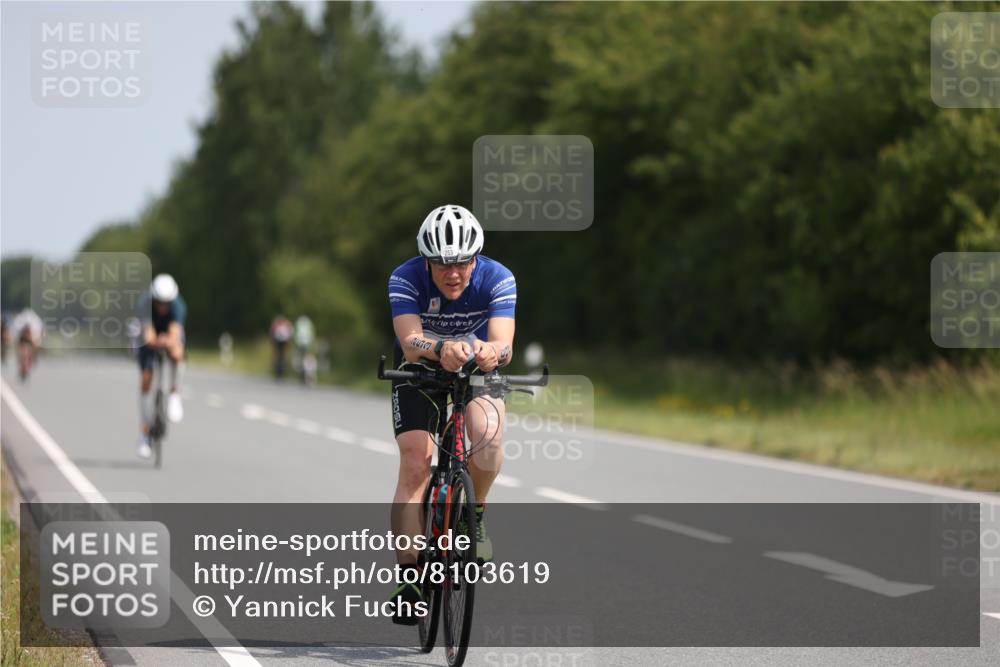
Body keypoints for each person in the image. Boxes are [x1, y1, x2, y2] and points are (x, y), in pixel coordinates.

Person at [386, 204, 516, 624]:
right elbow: (409, 341)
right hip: (420, 368)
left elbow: (504, 343)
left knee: (490, 442)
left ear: (475, 257)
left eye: (461, 262)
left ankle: (473, 518)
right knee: (415, 464)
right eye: (442, 263)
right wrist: (440, 349)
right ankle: (410, 577)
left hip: (478, 368)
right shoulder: (405, 278)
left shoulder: (499, 277)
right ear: (427, 260)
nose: (453, 272)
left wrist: (492, 352)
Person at [136, 274, 186, 459]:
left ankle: (174, 393)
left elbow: (175, 333)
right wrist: (156, 341)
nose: (163, 306)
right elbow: (148, 336)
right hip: (151, 336)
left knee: (177, 353)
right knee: (147, 379)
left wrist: (169, 341)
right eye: (159, 302)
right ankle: (144, 433)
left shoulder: (179, 306)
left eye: (167, 303)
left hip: (168, 334)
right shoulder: (144, 304)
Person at [10, 308, 44, 381]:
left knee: (34, 348)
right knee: (21, 351)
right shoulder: (17, 326)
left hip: (34, 334)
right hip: (21, 336)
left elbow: (37, 341)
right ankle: (24, 365)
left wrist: (34, 354)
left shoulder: (36, 327)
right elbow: (15, 343)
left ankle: (29, 362)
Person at [293, 315, 316, 385]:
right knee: (306, 360)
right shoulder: (309, 323)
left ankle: (304, 377)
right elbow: (312, 334)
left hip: (300, 344)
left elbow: (295, 333)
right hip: (306, 344)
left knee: (303, 360)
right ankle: (305, 377)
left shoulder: (299, 323)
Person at [269, 314, 293, 379]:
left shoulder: (276, 324)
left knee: (278, 356)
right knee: (282, 356)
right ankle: (282, 371)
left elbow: (272, 332)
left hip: (277, 341)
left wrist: (272, 340)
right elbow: (290, 333)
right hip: (284, 342)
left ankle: (278, 371)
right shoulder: (286, 324)